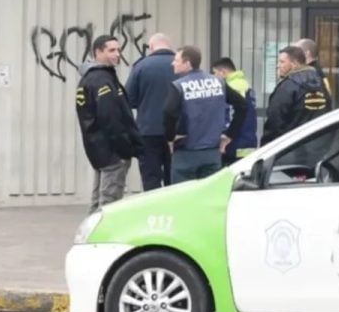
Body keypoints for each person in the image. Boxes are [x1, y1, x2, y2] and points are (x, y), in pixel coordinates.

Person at [75, 35, 144, 212]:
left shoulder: (90, 79)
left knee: (99, 200)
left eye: (118, 50)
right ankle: (102, 237)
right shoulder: (101, 80)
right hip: (112, 152)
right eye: (111, 50)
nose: (117, 54)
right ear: (98, 52)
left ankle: (91, 235)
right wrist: (125, 149)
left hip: (99, 150)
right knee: (110, 204)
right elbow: (111, 119)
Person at [163, 46, 248, 184]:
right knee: (209, 197)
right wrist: (230, 135)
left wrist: (170, 137)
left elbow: (168, 112)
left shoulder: (179, 86)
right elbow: (242, 106)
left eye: (176, 60)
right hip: (212, 152)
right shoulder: (218, 83)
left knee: (183, 198)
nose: (173, 63)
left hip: (186, 152)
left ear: (187, 63)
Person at [125, 33, 176, 190]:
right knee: (174, 176)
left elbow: (129, 99)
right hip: (176, 132)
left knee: (150, 177)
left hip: (148, 130)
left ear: (151, 47)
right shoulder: (182, 64)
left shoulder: (141, 66)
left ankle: (154, 211)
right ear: (170, 45)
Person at [262, 46, 333, 146]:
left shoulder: (288, 86)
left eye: (282, 62)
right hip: (316, 145)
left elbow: (275, 120)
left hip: (290, 147)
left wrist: (266, 146)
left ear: (294, 64)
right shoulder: (321, 84)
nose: (277, 66)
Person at [211, 57, 259, 165]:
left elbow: (234, 113)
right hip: (247, 140)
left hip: (235, 143)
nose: (214, 77)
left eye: (215, 73)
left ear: (223, 72)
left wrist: (225, 136)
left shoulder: (233, 86)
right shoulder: (244, 84)